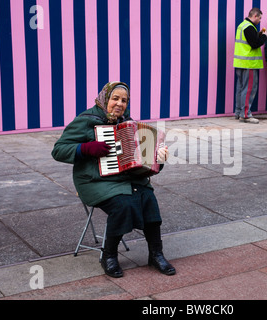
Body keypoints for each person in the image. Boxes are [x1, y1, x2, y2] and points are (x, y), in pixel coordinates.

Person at [51, 81, 176, 278]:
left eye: (124, 100)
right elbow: (58, 150)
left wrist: (159, 159)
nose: (119, 104)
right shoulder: (86, 120)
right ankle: (108, 256)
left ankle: (156, 254)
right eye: (115, 98)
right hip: (94, 181)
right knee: (123, 204)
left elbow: (144, 160)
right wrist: (85, 148)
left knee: (148, 199)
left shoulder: (129, 123)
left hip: (125, 178)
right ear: (105, 99)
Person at [234, 7, 267, 124]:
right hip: (249, 63)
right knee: (249, 89)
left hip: (240, 63)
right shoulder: (249, 27)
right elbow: (254, 44)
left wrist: (257, 35)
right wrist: (264, 36)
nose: (259, 21)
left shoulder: (242, 25)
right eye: (259, 18)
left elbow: (249, 41)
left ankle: (239, 112)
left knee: (241, 89)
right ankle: (246, 115)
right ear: (255, 16)